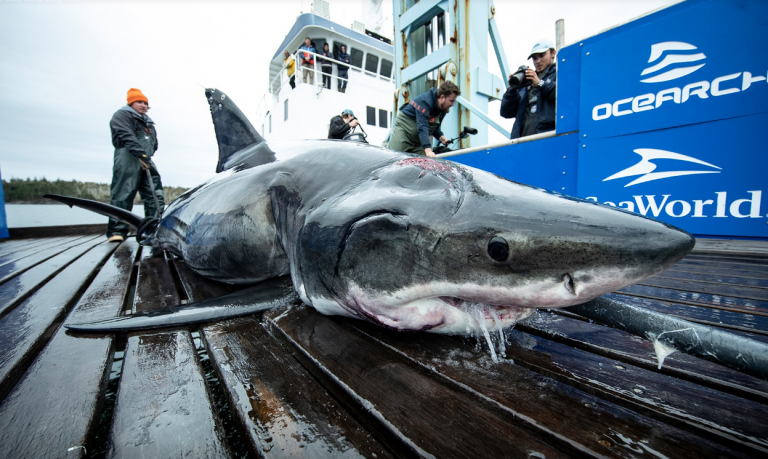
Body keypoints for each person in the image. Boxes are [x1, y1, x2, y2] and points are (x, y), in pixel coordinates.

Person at [107, 88, 165, 242]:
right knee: (123, 193)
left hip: (146, 160)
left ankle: (154, 229)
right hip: (129, 158)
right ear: (131, 103)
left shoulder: (148, 121)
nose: (144, 106)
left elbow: (153, 141)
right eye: (140, 102)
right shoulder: (122, 115)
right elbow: (125, 135)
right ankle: (116, 231)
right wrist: (140, 154)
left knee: (155, 194)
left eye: (146, 103)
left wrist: (148, 155)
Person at [500, 38, 557, 139]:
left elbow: (564, 97)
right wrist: (512, 90)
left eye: (542, 55)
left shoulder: (560, 72)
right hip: (522, 142)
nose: (538, 61)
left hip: (547, 139)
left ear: (553, 53)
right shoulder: (526, 83)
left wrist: (540, 84)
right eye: (534, 58)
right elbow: (506, 112)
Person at [388, 81, 460, 157]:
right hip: (405, 131)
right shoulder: (424, 102)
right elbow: (422, 127)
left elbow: (434, 128)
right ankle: (385, 145)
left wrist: (441, 137)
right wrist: (428, 151)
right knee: (393, 157)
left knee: (422, 163)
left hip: (418, 139)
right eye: (451, 101)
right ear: (442, 97)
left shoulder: (443, 109)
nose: (453, 104)